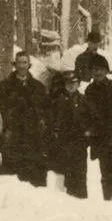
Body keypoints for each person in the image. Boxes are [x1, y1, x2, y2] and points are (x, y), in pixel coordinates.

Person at [0, 52, 50, 186]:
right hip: (14, 138)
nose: (22, 66)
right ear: (14, 65)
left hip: (33, 139)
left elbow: (46, 111)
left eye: (25, 63)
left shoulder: (38, 87)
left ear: (29, 65)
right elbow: (1, 111)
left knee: (35, 179)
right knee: (13, 180)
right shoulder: (5, 86)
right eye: (19, 63)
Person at [46, 67, 92, 199]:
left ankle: (82, 202)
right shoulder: (58, 102)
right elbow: (52, 121)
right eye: (68, 83)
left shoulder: (84, 100)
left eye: (74, 83)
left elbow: (93, 119)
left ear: (78, 84)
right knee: (65, 178)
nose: (71, 86)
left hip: (79, 145)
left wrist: (88, 133)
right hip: (64, 145)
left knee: (80, 177)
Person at [84, 57, 112, 202]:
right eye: (95, 70)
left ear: (106, 71)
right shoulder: (89, 90)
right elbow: (88, 114)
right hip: (100, 139)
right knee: (105, 176)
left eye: (101, 69)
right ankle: (108, 203)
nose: (98, 73)